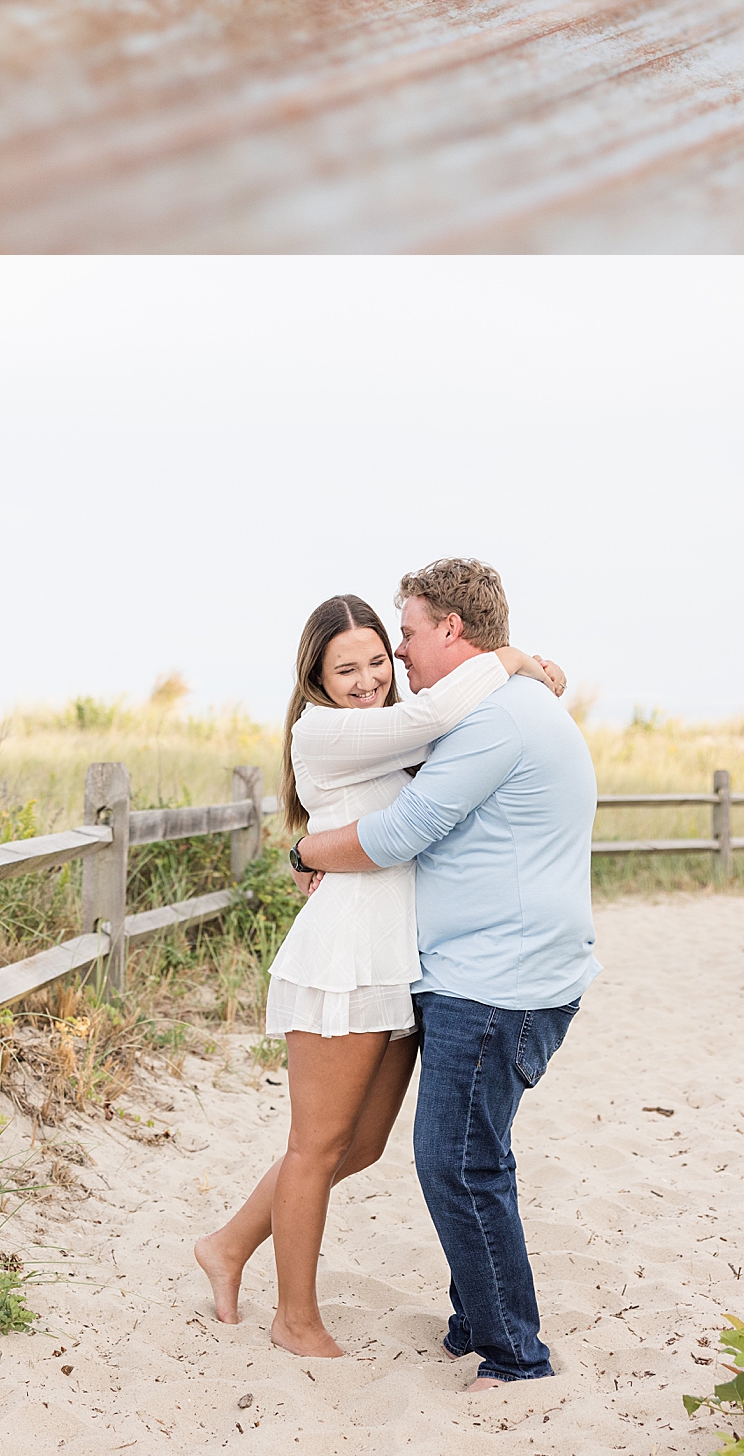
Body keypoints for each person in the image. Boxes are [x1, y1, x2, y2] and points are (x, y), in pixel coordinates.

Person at [193, 591, 565, 1359]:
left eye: (375, 661)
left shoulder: (385, 737)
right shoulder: (327, 731)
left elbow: (443, 748)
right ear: (317, 678)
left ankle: (228, 1243)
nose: (366, 679)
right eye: (346, 667)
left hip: (397, 962)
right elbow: (427, 719)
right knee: (316, 1146)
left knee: (358, 1145)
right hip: (347, 955)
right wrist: (513, 657)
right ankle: (294, 1319)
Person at [293, 557, 599, 1387]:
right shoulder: (496, 707)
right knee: (468, 1150)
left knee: (458, 1160)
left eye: (410, 628)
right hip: (489, 969)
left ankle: (513, 1355)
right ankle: (476, 1321)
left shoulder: (498, 719)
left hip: (500, 981)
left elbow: (402, 832)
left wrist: (303, 848)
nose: (401, 648)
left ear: (449, 630)